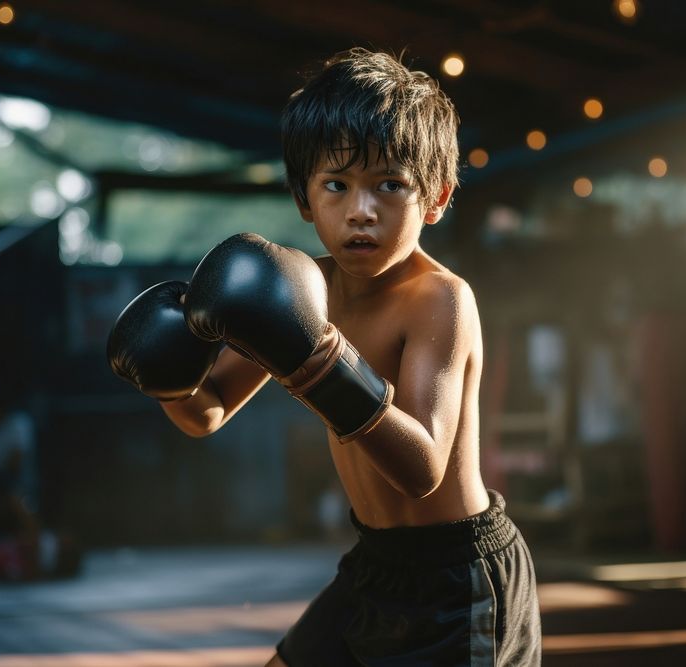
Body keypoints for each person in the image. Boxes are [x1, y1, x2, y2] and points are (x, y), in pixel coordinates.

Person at [107, 48, 541, 665]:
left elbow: (422, 469)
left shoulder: (440, 300)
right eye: (336, 185)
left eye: (390, 185)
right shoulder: (304, 288)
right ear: (305, 199)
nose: (361, 210)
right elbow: (207, 414)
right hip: (375, 565)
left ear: (437, 198)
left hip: (457, 578)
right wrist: (171, 381)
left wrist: (316, 358)